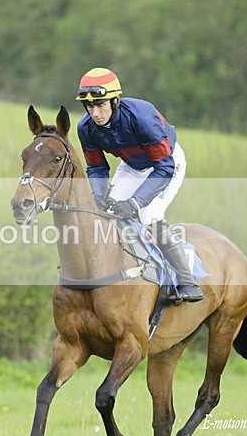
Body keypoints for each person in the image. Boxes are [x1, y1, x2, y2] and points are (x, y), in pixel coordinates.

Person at [75, 67, 203, 302]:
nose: (95, 113)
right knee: (104, 212)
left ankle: (188, 281)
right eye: (89, 106)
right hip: (132, 166)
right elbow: (97, 167)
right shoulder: (85, 128)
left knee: (149, 215)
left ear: (115, 100)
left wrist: (134, 203)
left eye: (100, 104)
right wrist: (100, 195)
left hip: (166, 164)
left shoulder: (142, 117)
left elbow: (163, 168)